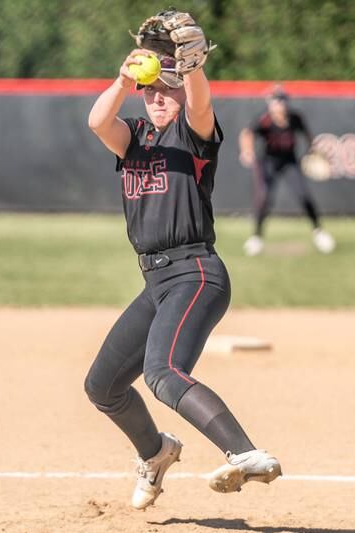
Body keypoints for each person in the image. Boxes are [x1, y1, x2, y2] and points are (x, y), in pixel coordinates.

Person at [85, 37, 281, 509]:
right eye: (150, 90)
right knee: (103, 386)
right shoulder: (132, 136)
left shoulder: (192, 135)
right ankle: (155, 453)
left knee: (164, 371)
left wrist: (190, 69)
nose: (156, 97)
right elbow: (97, 121)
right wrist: (124, 78)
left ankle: (248, 452)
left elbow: (201, 103)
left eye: (166, 90)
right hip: (157, 283)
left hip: (196, 274)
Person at [238, 86, 335, 256]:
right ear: (270, 104)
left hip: (289, 161)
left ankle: (319, 232)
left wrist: (316, 151)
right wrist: (247, 151)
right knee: (264, 198)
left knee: (303, 195)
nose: (279, 104)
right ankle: (256, 237)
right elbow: (247, 134)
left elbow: (309, 137)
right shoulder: (264, 120)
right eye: (275, 101)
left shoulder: (295, 118)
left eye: (282, 100)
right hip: (269, 161)